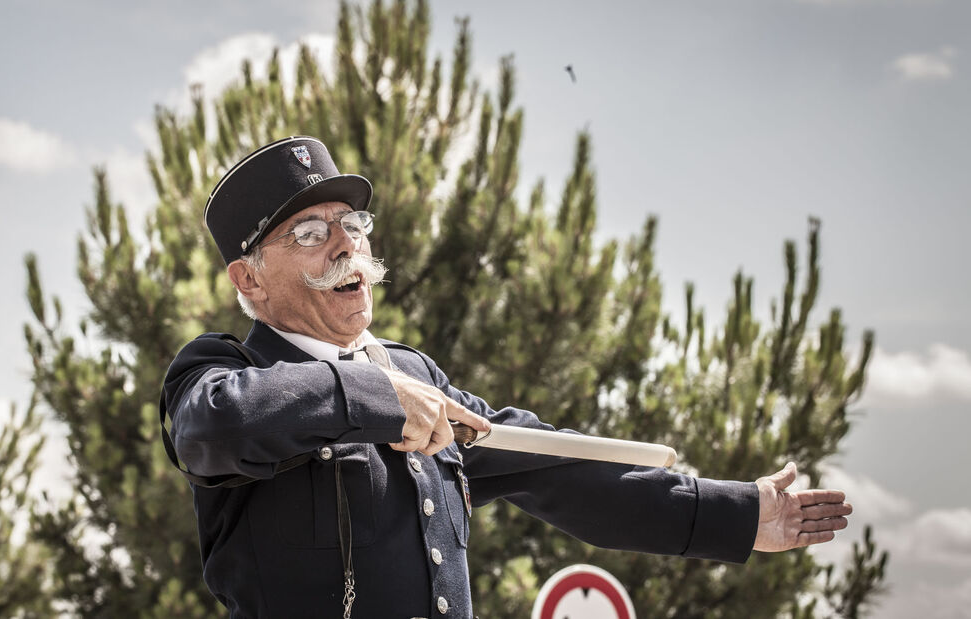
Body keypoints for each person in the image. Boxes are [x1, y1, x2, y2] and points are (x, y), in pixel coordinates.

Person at [161, 136, 852, 619]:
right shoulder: (224, 373)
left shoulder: (413, 373)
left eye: (352, 224)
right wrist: (373, 396)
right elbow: (218, 424)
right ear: (248, 277)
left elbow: (560, 469)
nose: (346, 244)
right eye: (309, 233)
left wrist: (738, 513)